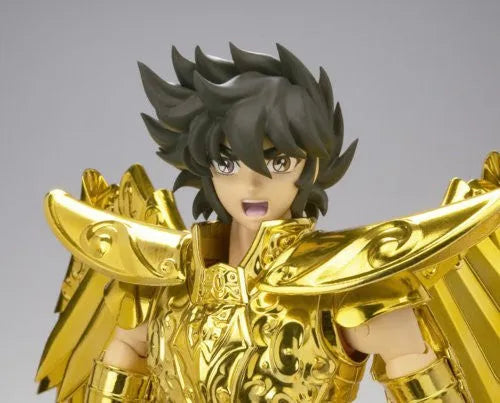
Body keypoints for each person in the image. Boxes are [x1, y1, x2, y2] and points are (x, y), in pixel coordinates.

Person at [36, 43, 499, 402]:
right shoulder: (165, 289)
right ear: (203, 167)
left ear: (310, 166)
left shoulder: (346, 294)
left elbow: (415, 365)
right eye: (226, 162)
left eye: (278, 162)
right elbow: (122, 358)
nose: (251, 185)